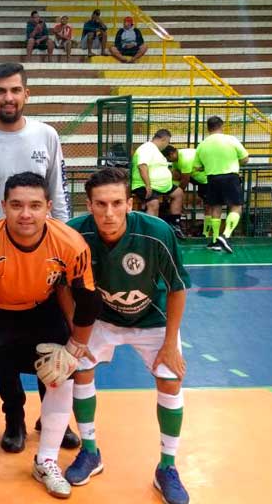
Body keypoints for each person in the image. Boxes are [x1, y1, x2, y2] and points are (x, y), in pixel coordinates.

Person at [0, 172, 99, 499]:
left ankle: (47, 461)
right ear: (3, 207)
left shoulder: (70, 243)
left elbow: (88, 300)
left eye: (34, 205)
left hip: (40, 309)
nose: (25, 214)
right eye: (16, 205)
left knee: (62, 374)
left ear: (48, 207)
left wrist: (77, 347)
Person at [0, 62, 78, 455]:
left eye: (15, 90)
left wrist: (64, 249)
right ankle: (14, 420)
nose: (8, 97)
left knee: (52, 343)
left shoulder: (47, 135)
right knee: (4, 349)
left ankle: (53, 416)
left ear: (27, 94)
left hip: (45, 263)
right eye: (1, 91)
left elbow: (58, 196)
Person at [64, 167, 191, 504]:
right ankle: (90, 451)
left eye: (117, 203)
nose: (109, 212)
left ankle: (167, 466)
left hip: (152, 320)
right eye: (100, 204)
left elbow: (177, 288)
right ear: (88, 205)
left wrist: (170, 344)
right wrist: (75, 334)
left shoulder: (157, 232)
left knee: (169, 379)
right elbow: (63, 286)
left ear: (129, 203)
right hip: (101, 320)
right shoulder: (74, 234)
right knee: (80, 371)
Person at [193, 115, 249, 253]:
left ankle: (214, 241)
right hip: (230, 177)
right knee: (236, 207)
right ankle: (226, 235)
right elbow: (245, 159)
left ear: (208, 128)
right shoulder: (230, 139)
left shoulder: (202, 145)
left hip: (212, 178)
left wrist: (209, 164)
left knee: (215, 208)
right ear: (222, 126)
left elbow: (197, 167)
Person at [132, 129, 185, 234]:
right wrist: (148, 186)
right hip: (144, 185)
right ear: (164, 139)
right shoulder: (146, 148)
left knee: (178, 193)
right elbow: (142, 166)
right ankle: (151, 232)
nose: (167, 145)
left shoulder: (156, 151)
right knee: (153, 203)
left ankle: (175, 223)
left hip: (161, 186)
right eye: (168, 142)